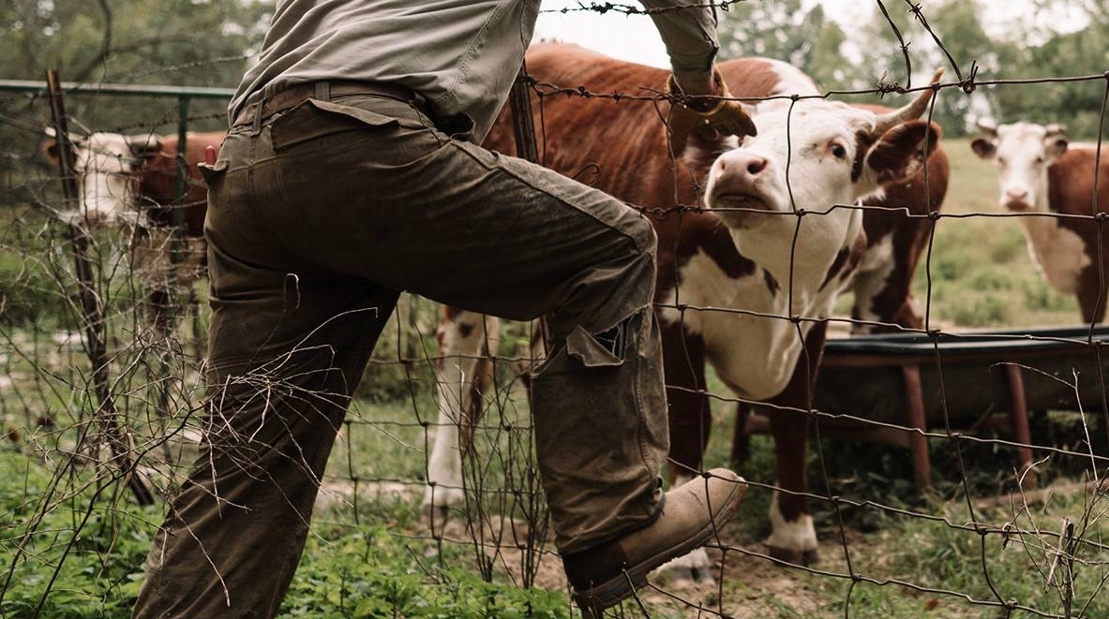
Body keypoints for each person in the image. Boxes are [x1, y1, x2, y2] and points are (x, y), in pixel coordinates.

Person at [131, 1, 756, 616]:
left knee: (248, 468)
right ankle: (613, 524)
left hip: (249, 163)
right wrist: (698, 91)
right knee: (615, 246)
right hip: (362, 144)